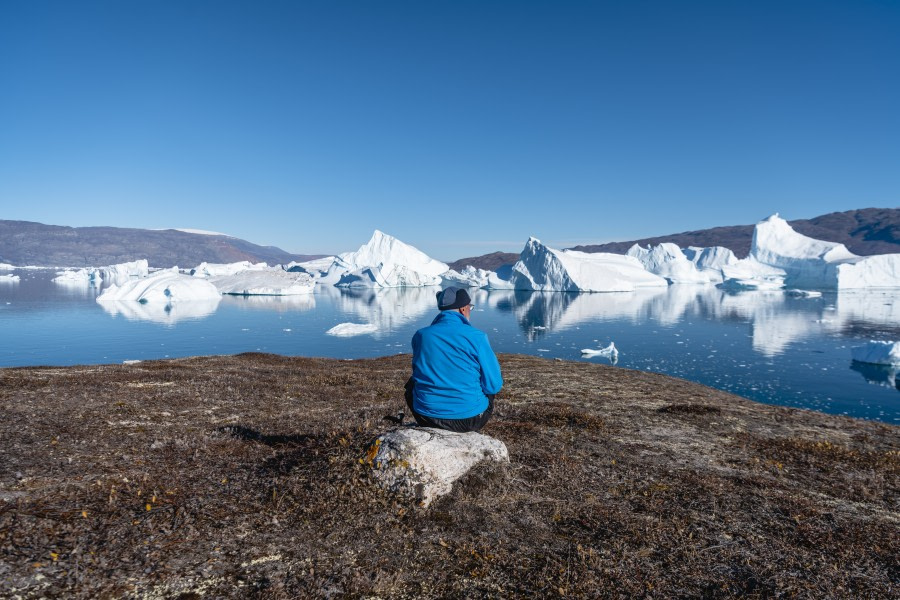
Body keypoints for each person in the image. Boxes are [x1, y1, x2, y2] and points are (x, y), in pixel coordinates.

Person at [404, 286, 503, 433]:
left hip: (425, 416)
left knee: (412, 383)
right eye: (470, 307)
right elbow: (493, 386)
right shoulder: (477, 337)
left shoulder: (421, 336)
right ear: (463, 309)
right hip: (469, 420)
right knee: (490, 380)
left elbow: (419, 372)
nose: (470, 310)